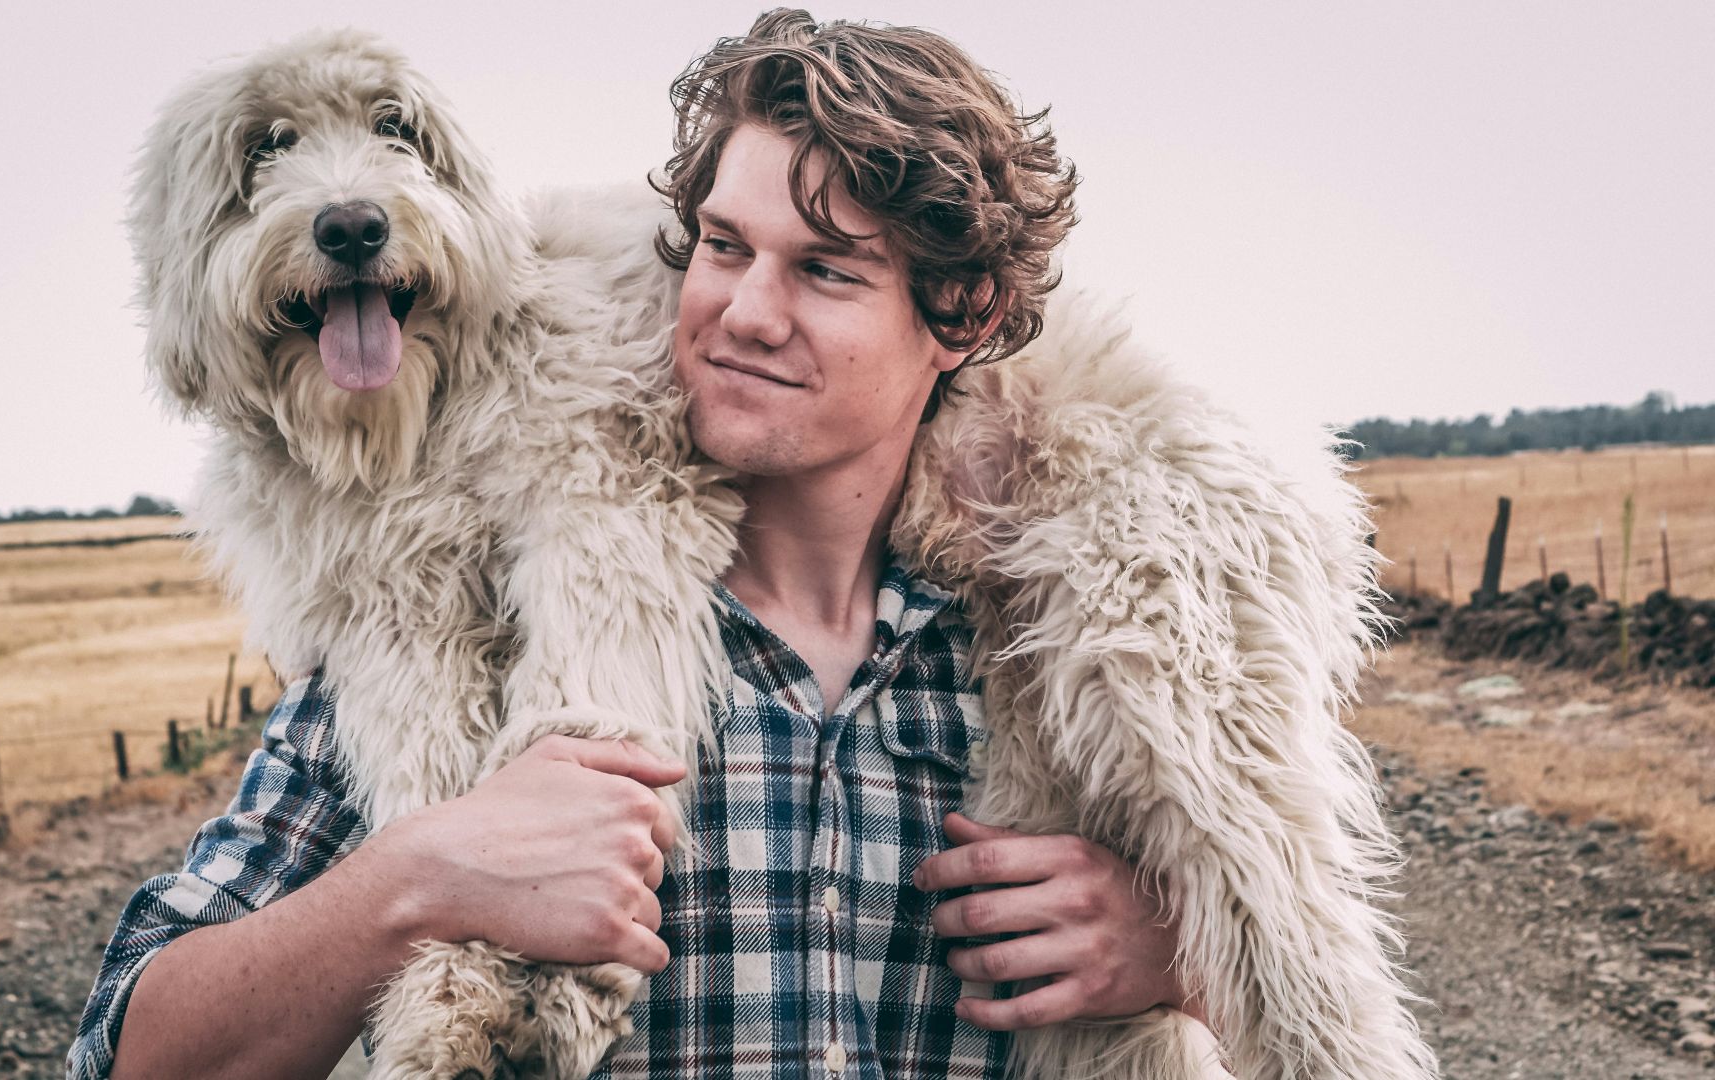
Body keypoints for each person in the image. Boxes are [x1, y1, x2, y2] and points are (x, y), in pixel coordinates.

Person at [69, 11, 1205, 1079]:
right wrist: (417, 880)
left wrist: (1189, 957)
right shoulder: (457, 623)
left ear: (966, 317)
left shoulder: (1074, 655)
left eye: (823, 269)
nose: (745, 312)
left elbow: (1311, 971)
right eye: (722, 246)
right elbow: (127, 1049)